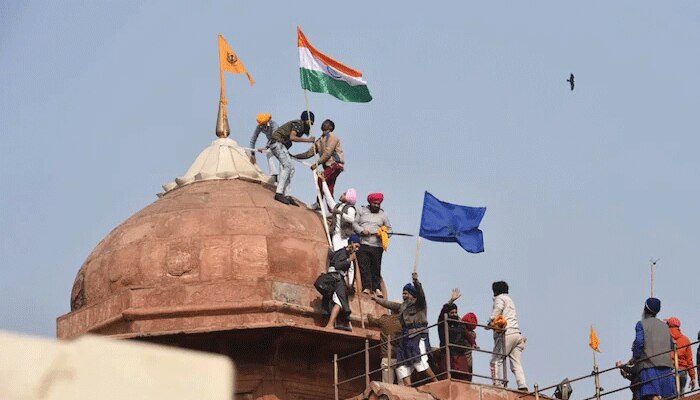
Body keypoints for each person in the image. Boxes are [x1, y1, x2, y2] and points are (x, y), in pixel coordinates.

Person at [372, 272, 437, 386]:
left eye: (406, 293)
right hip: (406, 336)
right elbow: (389, 304)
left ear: (412, 294)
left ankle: (436, 383)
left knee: (420, 361)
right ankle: (408, 388)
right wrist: (376, 299)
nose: (404, 295)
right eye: (403, 293)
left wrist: (416, 282)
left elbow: (421, 294)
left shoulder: (419, 304)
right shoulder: (403, 306)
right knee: (402, 365)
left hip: (418, 335)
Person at [292, 119, 345, 209]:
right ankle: (332, 209)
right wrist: (294, 156)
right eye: (323, 122)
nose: (323, 123)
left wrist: (317, 163)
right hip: (328, 167)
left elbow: (328, 152)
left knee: (321, 179)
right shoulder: (320, 140)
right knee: (328, 187)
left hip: (335, 165)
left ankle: (319, 203)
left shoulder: (332, 136)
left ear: (331, 127)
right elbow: (309, 153)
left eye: (326, 123)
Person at [631, 297, 676, 400]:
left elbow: (639, 343)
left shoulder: (641, 324)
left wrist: (635, 357)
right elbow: (672, 346)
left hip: (648, 367)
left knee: (653, 396)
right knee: (669, 397)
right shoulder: (665, 326)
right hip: (666, 369)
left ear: (645, 310)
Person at [268, 111, 316, 205]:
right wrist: (308, 140)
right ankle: (279, 193)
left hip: (280, 145)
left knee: (291, 169)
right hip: (277, 144)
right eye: (310, 122)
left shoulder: (300, 127)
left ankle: (287, 195)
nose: (311, 125)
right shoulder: (299, 124)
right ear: (306, 120)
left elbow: (288, 140)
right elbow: (292, 137)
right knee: (287, 167)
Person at [487, 281, 527, 391]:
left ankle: (497, 384)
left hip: (507, 333)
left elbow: (498, 310)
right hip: (517, 334)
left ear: (495, 291)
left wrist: (490, 322)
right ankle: (522, 385)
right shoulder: (510, 300)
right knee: (516, 363)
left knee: (495, 360)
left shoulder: (499, 299)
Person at [352, 193, 392, 297]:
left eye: (378, 204)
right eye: (374, 203)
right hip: (364, 243)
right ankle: (367, 287)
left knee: (376, 268)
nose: (377, 206)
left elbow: (390, 230)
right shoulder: (361, 211)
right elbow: (354, 224)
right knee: (364, 266)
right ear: (370, 202)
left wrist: (383, 233)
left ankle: (377, 288)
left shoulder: (383, 215)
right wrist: (361, 230)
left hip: (377, 246)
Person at [319, 234, 361, 331]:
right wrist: (349, 260)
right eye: (356, 246)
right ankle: (330, 324)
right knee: (339, 301)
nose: (357, 249)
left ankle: (332, 322)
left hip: (337, 279)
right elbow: (337, 265)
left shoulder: (346, 253)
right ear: (351, 243)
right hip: (336, 279)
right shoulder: (343, 253)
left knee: (337, 301)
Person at [436, 288, 478, 382]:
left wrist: (473, 343)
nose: (454, 314)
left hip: (460, 357)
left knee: (463, 381)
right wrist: (451, 301)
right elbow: (442, 313)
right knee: (447, 380)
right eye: (452, 313)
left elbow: (467, 335)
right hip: (448, 356)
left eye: (455, 312)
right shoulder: (443, 324)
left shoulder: (460, 324)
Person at [320, 182, 357, 251]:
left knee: (342, 253)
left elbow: (351, 219)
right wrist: (324, 182)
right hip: (335, 234)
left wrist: (341, 213)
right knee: (336, 252)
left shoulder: (350, 208)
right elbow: (328, 197)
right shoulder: (337, 206)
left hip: (344, 236)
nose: (342, 195)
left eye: (344, 194)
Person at [666, 317, 696, 394]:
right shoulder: (686, 340)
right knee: (681, 395)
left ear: (668, 325)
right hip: (682, 371)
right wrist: (693, 377)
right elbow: (689, 361)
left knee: (669, 395)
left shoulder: (665, 338)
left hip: (669, 370)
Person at [248, 113, 279, 181]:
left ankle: (277, 174)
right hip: (271, 143)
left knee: (270, 152)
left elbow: (274, 137)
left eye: (263, 124)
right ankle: (274, 174)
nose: (262, 126)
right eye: (261, 125)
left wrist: (266, 147)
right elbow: (253, 139)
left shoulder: (274, 125)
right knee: (269, 154)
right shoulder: (259, 127)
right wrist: (252, 154)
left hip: (279, 141)